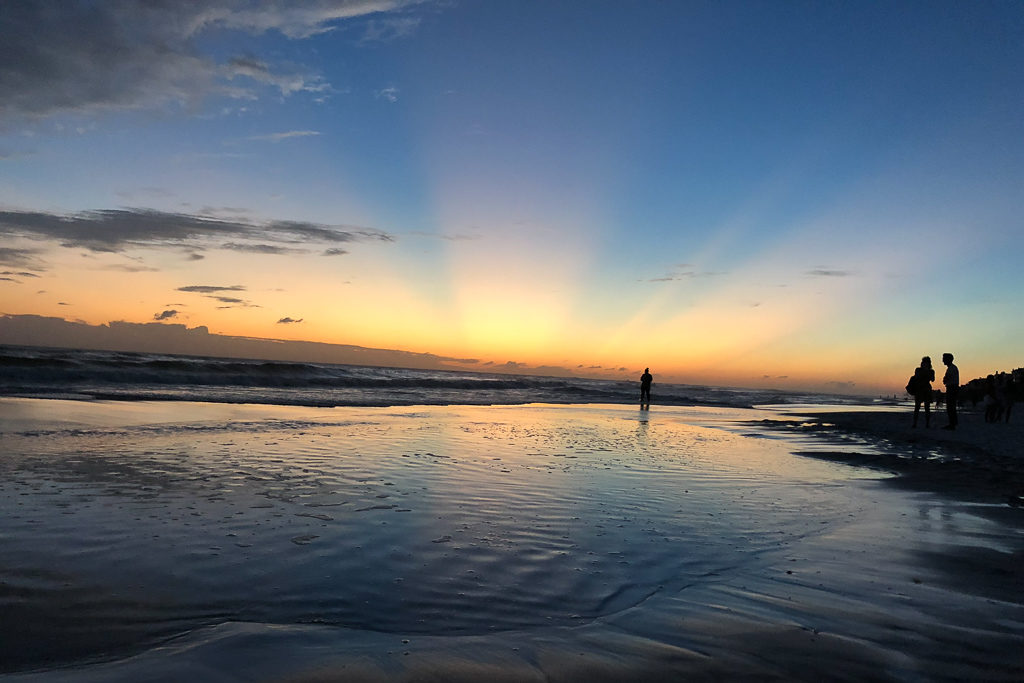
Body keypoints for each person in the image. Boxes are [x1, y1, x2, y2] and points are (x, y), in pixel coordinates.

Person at [911, 356, 934, 428]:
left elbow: (933, 379)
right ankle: (915, 423)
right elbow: (916, 377)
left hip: (926, 390)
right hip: (919, 389)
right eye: (924, 363)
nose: (925, 364)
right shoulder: (918, 370)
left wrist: (927, 372)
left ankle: (927, 424)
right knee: (917, 407)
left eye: (927, 363)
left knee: (927, 408)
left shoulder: (931, 371)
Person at [941, 352, 959, 430]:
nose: (943, 360)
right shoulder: (952, 368)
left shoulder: (951, 368)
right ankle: (953, 423)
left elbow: (946, 379)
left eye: (944, 359)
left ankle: (952, 424)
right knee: (951, 406)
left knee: (950, 406)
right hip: (952, 387)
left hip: (952, 388)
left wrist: (945, 379)